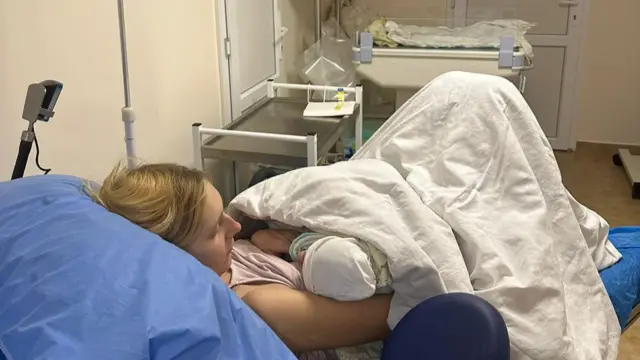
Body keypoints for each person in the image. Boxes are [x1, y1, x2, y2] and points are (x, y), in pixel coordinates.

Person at [88, 163, 391, 359]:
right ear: (179, 260)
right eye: (215, 231)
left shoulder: (228, 257)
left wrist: (263, 239)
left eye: (225, 215)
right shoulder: (262, 306)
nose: (234, 226)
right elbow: (393, 313)